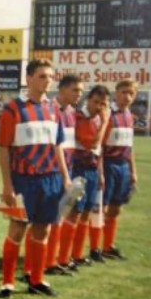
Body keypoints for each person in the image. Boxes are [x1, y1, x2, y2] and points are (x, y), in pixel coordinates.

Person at [0, 58, 71, 298]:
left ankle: (36, 279)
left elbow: (58, 146)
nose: (47, 81)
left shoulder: (54, 109)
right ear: (28, 78)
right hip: (23, 180)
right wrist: (7, 185)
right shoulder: (13, 109)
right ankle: (7, 282)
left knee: (43, 230)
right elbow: (4, 148)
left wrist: (66, 178)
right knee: (17, 229)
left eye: (50, 77)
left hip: (50, 179)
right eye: (41, 76)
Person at [57, 85, 111, 270]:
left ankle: (77, 254)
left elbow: (99, 149)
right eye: (96, 102)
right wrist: (105, 122)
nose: (99, 107)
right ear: (88, 100)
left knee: (86, 213)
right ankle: (63, 257)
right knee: (74, 213)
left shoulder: (98, 119)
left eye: (103, 104)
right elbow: (92, 143)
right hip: (79, 169)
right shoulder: (80, 117)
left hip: (93, 170)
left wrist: (101, 173)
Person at [38, 74, 84, 276]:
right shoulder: (50, 109)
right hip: (53, 171)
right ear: (62, 89)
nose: (79, 94)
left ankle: (55, 259)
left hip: (69, 169)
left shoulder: (72, 112)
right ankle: (45, 262)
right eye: (75, 90)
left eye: (81, 90)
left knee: (62, 215)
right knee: (48, 218)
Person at [100, 79, 139, 260]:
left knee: (116, 208)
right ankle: (96, 247)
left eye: (131, 93)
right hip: (108, 164)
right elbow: (100, 146)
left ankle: (108, 246)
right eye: (124, 92)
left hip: (123, 166)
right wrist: (100, 171)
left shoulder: (129, 116)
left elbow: (130, 147)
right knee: (102, 207)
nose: (127, 97)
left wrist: (133, 171)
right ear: (116, 93)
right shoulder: (109, 114)